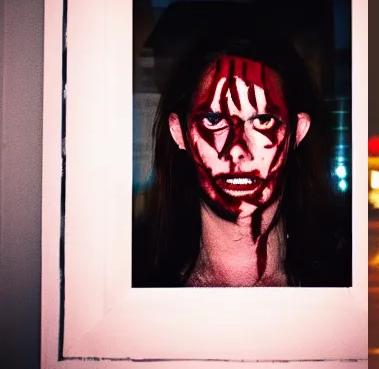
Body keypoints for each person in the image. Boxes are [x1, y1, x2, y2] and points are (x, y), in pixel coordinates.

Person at [134, 19, 350, 288]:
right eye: (214, 120)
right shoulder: (136, 284)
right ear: (180, 134)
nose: (237, 150)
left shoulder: (343, 283)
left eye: (262, 121)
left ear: (298, 132)